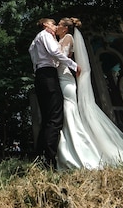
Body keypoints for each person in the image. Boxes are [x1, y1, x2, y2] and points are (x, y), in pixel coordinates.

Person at [54, 17, 123, 170]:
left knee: (68, 111)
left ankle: (76, 153)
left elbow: (61, 58)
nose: (56, 26)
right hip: (63, 78)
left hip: (65, 78)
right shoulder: (64, 38)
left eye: (59, 24)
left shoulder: (68, 38)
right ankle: (70, 150)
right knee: (67, 112)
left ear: (65, 28)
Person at [28, 18, 81, 169]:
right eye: (53, 23)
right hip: (49, 76)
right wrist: (73, 64)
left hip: (40, 76)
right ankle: (49, 160)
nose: (55, 26)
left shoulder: (35, 41)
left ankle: (39, 156)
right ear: (46, 25)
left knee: (46, 118)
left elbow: (34, 55)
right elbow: (54, 52)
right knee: (55, 118)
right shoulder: (45, 35)